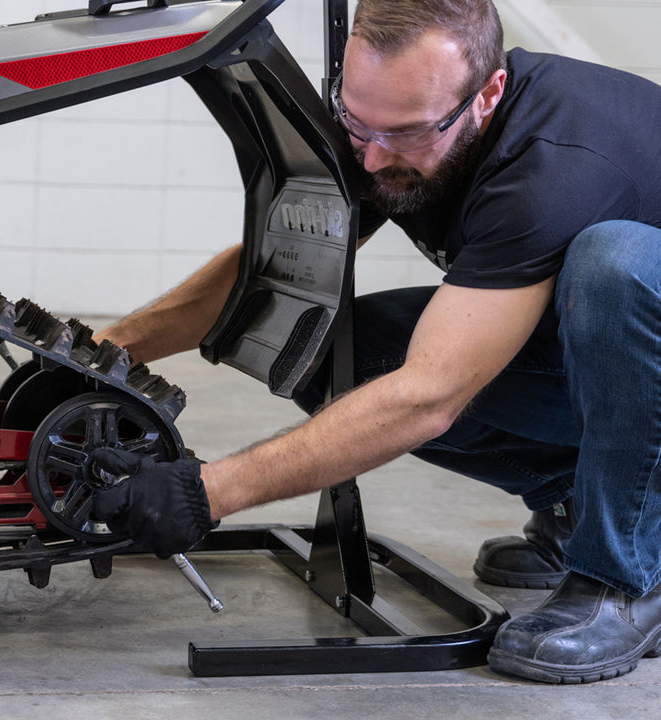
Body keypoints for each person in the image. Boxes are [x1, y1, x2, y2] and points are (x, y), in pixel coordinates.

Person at [90, 0, 661, 684]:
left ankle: (629, 576)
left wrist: (207, 493)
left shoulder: (549, 168)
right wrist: (104, 356)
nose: (373, 154)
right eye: (357, 122)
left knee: (614, 264)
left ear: (488, 96)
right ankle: (581, 501)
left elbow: (431, 395)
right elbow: (278, 267)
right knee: (331, 348)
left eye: (407, 133)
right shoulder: (398, 126)